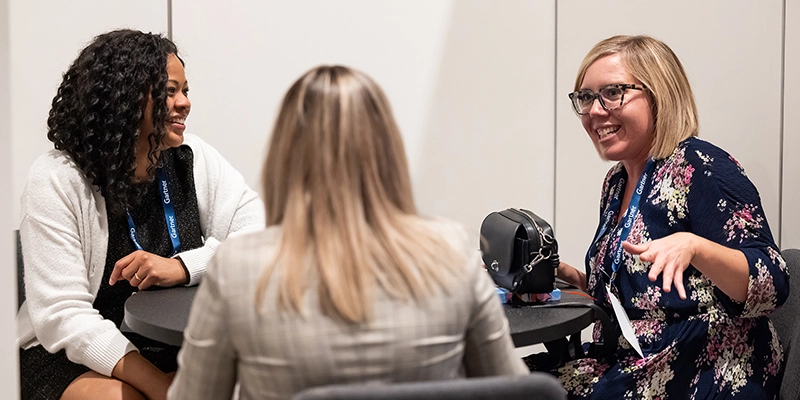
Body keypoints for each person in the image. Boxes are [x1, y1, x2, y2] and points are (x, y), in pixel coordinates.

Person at [167, 65, 528, 399]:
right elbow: (517, 389)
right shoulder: (450, 252)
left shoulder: (238, 269)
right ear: (388, 151)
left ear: (284, 155)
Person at [16, 29, 264, 400]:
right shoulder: (57, 179)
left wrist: (183, 267)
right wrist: (162, 387)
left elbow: (258, 234)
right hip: (74, 352)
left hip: (174, 344)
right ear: (125, 99)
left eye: (186, 91)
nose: (184, 103)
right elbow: (63, 316)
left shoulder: (191, 156)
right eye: (169, 91)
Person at [545, 34, 790, 399]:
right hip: (631, 360)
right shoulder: (616, 182)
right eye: (585, 98)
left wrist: (695, 246)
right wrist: (566, 277)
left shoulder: (702, 167)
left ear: (659, 94)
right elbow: (632, 297)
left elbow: (773, 282)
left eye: (612, 93)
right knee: (500, 376)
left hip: (703, 368)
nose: (595, 110)